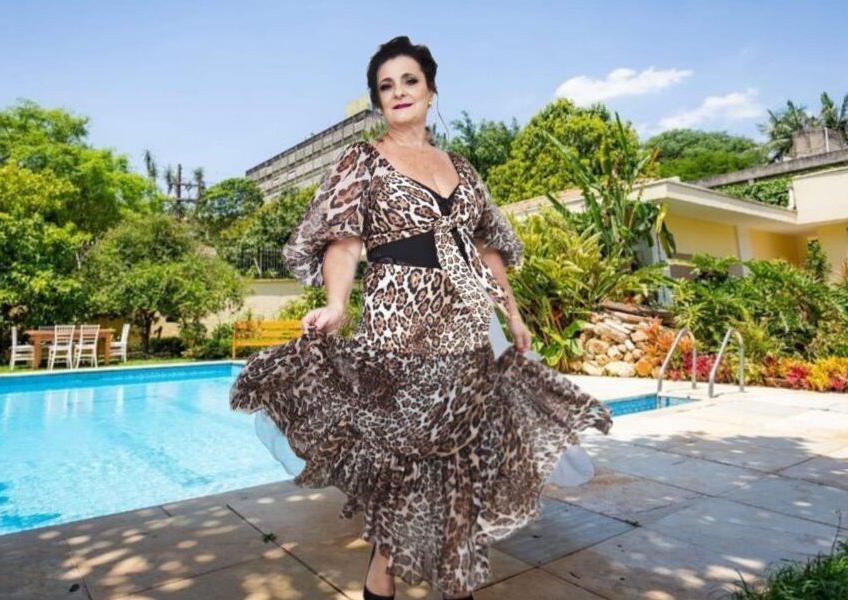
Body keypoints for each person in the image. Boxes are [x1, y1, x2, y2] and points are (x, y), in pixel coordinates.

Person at [230, 35, 612, 600]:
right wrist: (336, 304)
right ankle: (382, 577)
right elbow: (344, 241)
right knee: (403, 460)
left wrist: (512, 313)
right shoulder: (362, 160)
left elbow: (486, 248)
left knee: (458, 462)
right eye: (386, 86)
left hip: (466, 325)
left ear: (431, 91)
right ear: (378, 102)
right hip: (398, 324)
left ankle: (453, 583)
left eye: (409, 81)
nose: (399, 92)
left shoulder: (463, 168)